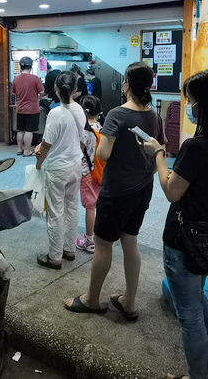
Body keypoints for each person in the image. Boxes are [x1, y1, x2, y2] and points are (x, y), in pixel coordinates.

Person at [143, 70, 208, 379]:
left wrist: (157, 153)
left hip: (184, 241)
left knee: (190, 315)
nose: (188, 106)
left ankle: (197, 376)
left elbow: (171, 190)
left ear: (203, 104)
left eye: (191, 100)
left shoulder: (195, 147)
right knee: (199, 299)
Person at [65, 61, 165, 317]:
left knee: (102, 245)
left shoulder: (118, 114)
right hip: (143, 190)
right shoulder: (154, 116)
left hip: (116, 192)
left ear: (128, 85)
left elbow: (103, 152)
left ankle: (91, 299)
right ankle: (129, 302)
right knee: (131, 242)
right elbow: (160, 154)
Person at [34, 72, 86, 269]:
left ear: (56, 88)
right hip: (75, 166)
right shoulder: (80, 110)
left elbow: (46, 144)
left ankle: (54, 257)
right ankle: (69, 250)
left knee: (55, 212)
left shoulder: (55, 113)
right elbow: (81, 140)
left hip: (57, 169)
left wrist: (38, 165)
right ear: (75, 89)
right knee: (72, 207)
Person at [77, 95, 102, 253]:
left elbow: (79, 152)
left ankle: (89, 241)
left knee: (90, 207)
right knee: (97, 203)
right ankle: (98, 237)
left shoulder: (84, 131)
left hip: (86, 172)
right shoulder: (101, 127)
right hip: (100, 172)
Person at [11, 56, 44, 156]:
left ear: (20, 67)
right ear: (31, 67)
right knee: (29, 130)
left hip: (20, 108)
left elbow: (14, 93)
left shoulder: (16, 79)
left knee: (20, 130)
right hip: (32, 109)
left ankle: (19, 149)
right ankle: (27, 151)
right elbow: (42, 91)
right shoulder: (35, 78)